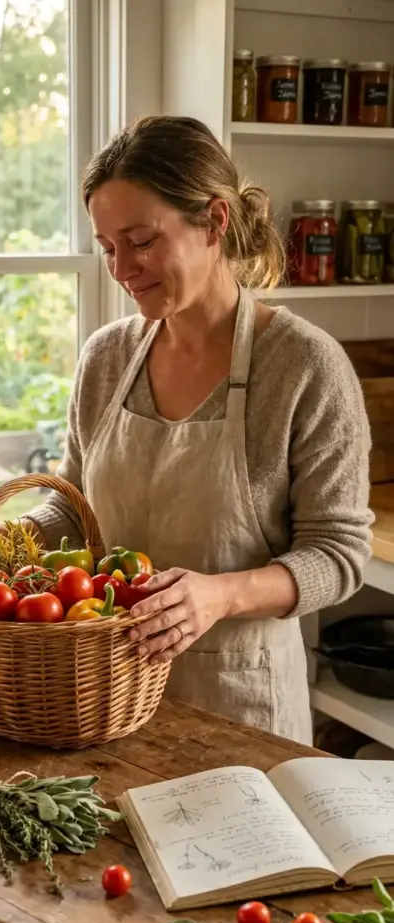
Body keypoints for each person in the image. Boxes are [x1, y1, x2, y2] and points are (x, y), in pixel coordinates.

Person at [21, 114, 373, 744]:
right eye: (108, 248)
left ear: (214, 222)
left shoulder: (303, 366)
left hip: (241, 709)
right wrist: (14, 540)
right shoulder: (106, 358)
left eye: (142, 241)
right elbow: (73, 508)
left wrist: (219, 596)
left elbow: (339, 556)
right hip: (105, 701)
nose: (122, 268)